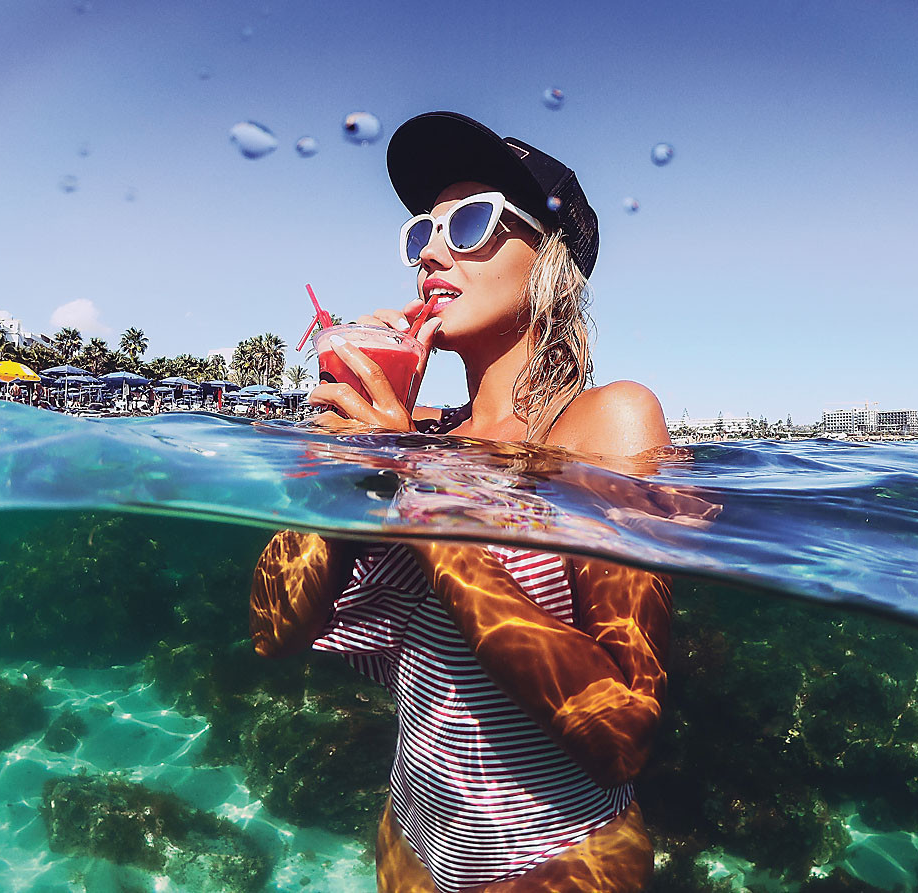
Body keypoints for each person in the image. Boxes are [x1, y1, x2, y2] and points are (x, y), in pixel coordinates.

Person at [250, 112, 673, 892]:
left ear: (549, 261)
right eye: (422, 231)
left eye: (470, 222)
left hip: (561, 860)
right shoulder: (415, 434)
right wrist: (355, 463)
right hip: (408, 838)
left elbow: (620, 732)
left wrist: (419, 492)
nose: (430, 252)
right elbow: (273, 631)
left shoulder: (605, 423)